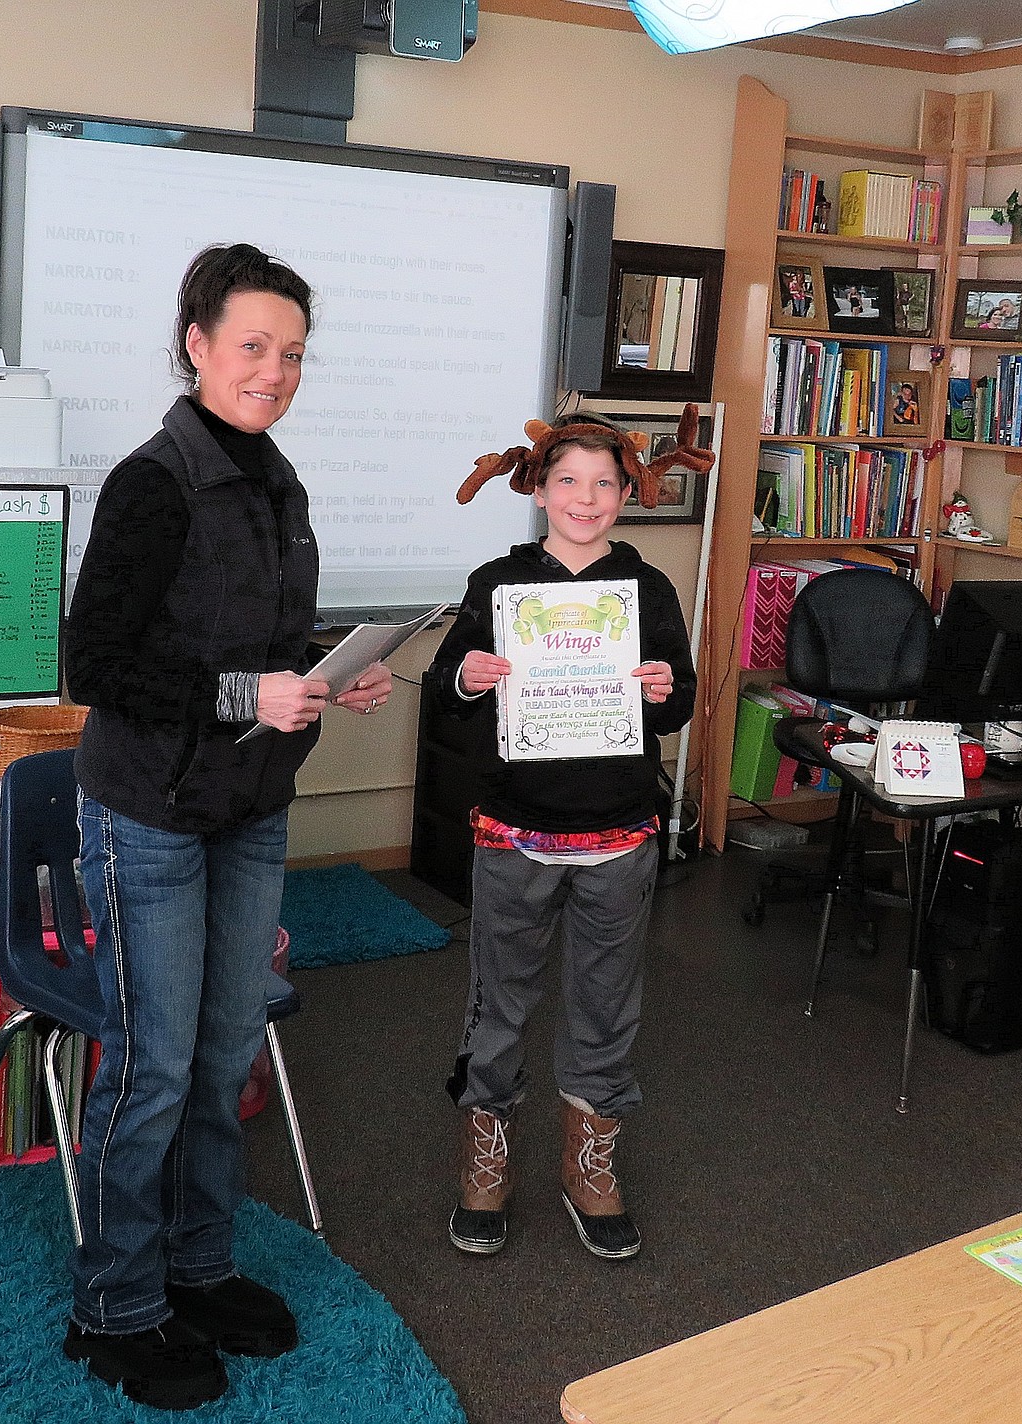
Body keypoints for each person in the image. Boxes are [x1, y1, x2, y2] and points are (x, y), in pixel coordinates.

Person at [63, 243, 391, 1410]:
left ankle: (196, 1268)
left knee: (222, 1052)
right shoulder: (152, 481)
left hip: (248, 806)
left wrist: (321, 674)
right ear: (197, 344)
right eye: (253, 346)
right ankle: (114, 1305)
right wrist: (251, 692)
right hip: (148, 812)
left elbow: (249, 635)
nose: (275, 370)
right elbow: (93, 663)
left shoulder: (275, 478)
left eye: (293, 352)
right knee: (151, 1067)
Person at [432, 411, 708, 1261]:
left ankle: (591, 1160)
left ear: (627, 493)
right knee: (499, 998)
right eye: (567, 482)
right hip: (513, 826)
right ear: (538, 489)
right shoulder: (496, 584)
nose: (584, 499)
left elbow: (682, 699)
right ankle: (488, 1155)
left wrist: (664, 688)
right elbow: (446, 687)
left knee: (605, 1002)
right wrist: (471, 676)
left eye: (603, 483)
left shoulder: (646, 592)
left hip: (618, 831)